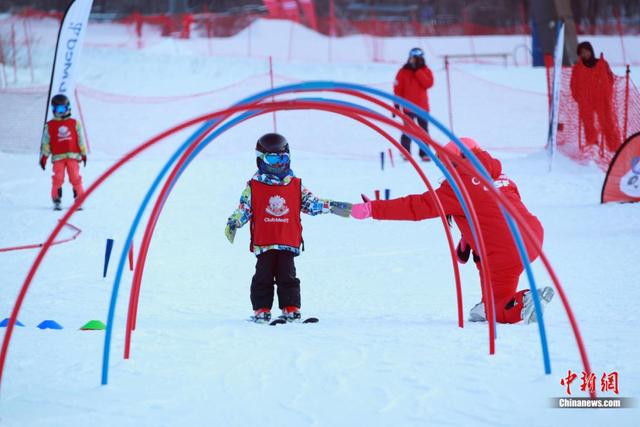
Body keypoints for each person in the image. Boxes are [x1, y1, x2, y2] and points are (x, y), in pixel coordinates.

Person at [350, 137, 554, 324]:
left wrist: (373, 209)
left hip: (505, 248)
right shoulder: (500, 175)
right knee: (486, 269)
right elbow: (493, 210)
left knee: (496, 307)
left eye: (443, 162)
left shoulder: (458, 187)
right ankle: (498, 303)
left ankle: (525, 301)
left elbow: (416, 206)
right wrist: (467, 238)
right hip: (531, 236)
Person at [225, 133, 352, 323]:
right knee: (263, 277)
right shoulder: (254, 187)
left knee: (288, 276)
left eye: (281, 158)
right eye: (272, 159)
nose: (277, 164)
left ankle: (290, 307)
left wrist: (332, 206)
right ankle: (262, 309)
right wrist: (234, 222)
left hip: (287, 240)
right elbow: (244, 208)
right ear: (261, 159)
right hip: (265, 241)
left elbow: (311, 203)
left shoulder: (295, 185)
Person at [570, 41, 622, 152]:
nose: (585, 54)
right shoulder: (577, 68)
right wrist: (579, 99)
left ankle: (615, 148)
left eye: (586, 51)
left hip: (602, 100)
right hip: (586, 101)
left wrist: (606, 93)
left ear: (591, 50)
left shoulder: (602, 64)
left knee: (608, 123)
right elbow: (573, 85)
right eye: (582, 53)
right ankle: (592, 147)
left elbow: (610, 79)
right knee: (588, 124)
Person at [39, 94, 87, 211]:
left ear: (68, 108)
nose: (60, 112)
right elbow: (46, 142)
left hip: (73, 156)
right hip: (58, 158)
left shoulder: (74, 123)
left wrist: (83, 152)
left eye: (62, 109)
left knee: (75, 178)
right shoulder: (50, 125)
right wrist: (44, 156)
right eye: (57, 110)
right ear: (53, 110)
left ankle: (79, 199)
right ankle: (56, 199)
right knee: (58, 178)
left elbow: (80, 138)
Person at [393, 47, 434, 161]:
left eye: (417, 58)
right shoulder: (403, 71)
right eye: (413, 58)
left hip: (422, 107)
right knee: (407, 130)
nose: (415, 61)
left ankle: (424, 153)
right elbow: (398, 89)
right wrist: (396, 104)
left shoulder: (426, 70)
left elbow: (428, 83)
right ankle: (406, 152)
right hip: (407, 107)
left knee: (423, 131)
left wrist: (417, 71)